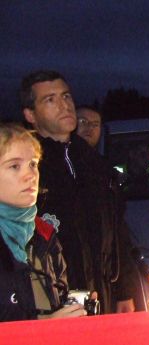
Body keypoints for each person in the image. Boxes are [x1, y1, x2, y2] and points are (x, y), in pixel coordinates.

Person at [20, 70, 137, 313]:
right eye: (50, 100)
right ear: (30, 114)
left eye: (66, 96)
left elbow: (118, 231)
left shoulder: (95, 163)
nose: (64, 105)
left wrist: (125, 290)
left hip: (102, 297)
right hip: (51, 305)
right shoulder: (25, 167)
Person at [0, 123, 87, 321]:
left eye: (33, 164)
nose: (30, 175)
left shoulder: (43, 234)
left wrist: (72, 311)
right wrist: (44, 329)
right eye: (14, 166)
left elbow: (55, 296)